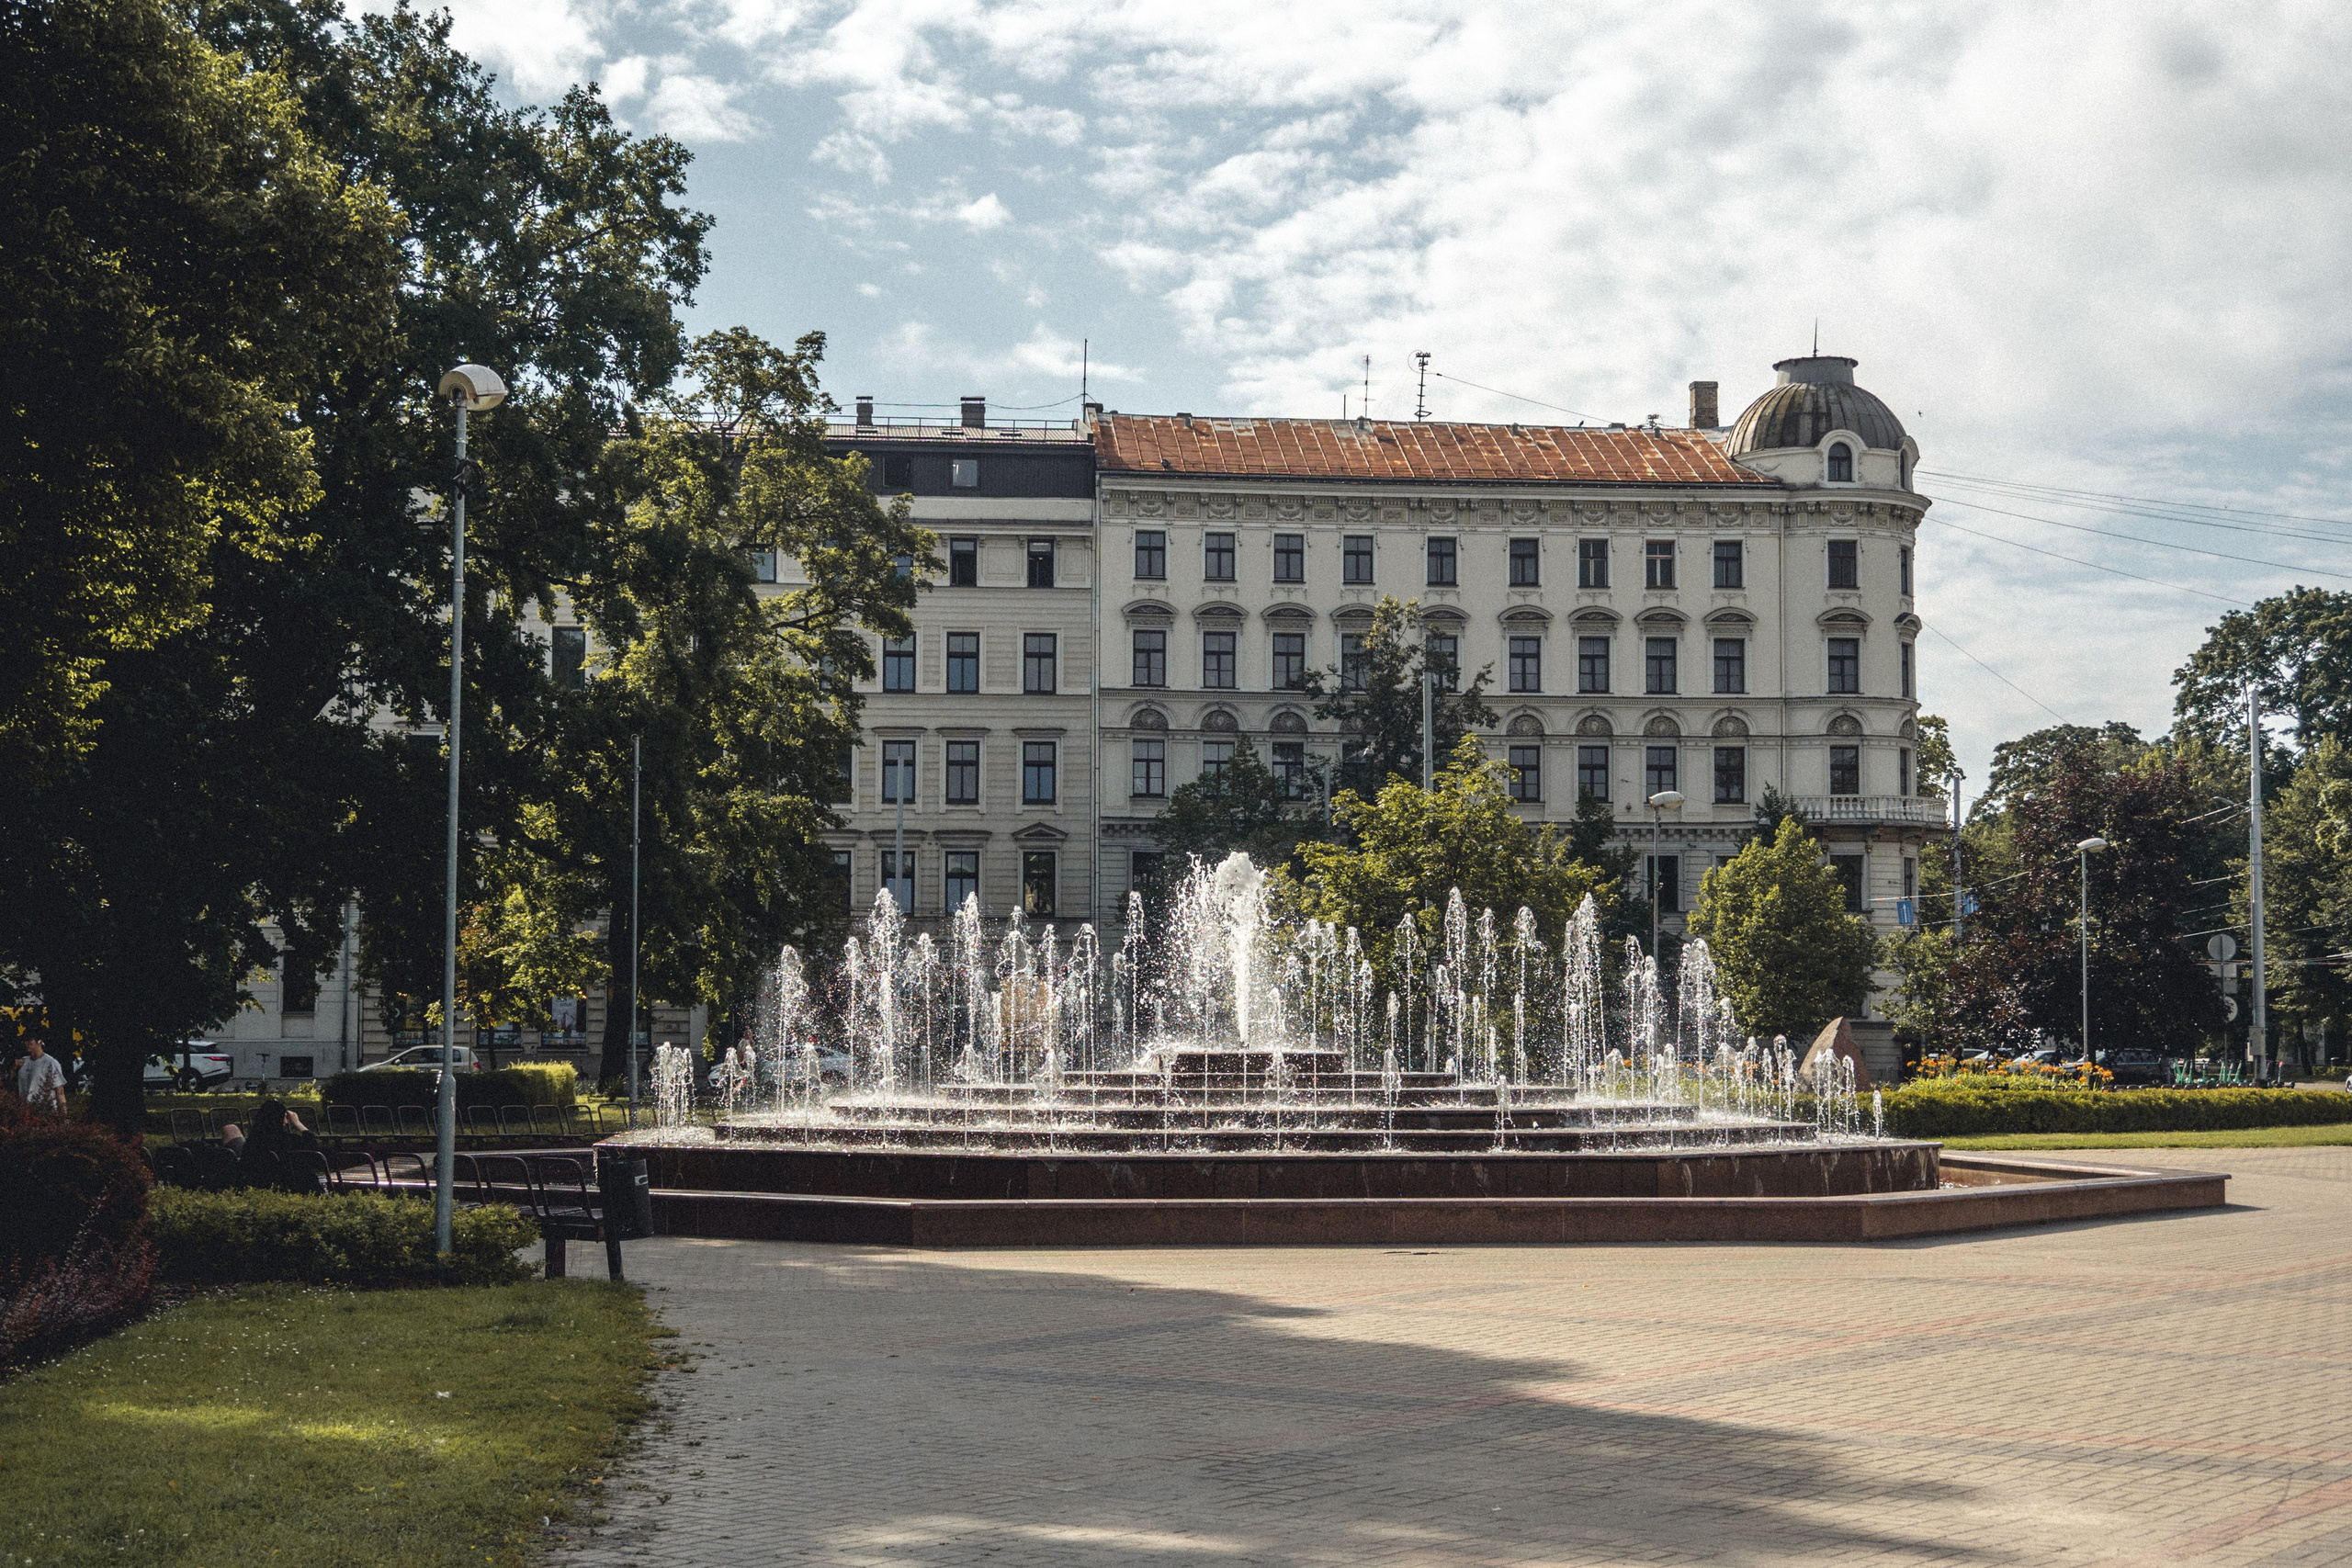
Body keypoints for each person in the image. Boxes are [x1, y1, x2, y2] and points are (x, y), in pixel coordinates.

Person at [15, 1036, 66, 1119]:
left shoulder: (50, 1062)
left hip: (45, 1111)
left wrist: (63, 1116)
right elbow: (12, 1084)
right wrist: (13, 1069)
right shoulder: (23, 1062)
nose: (26, 1043)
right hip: (25, 1112)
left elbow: (59, 1091)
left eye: (29, 1040)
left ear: (39, 1042)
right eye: (25, 1040)